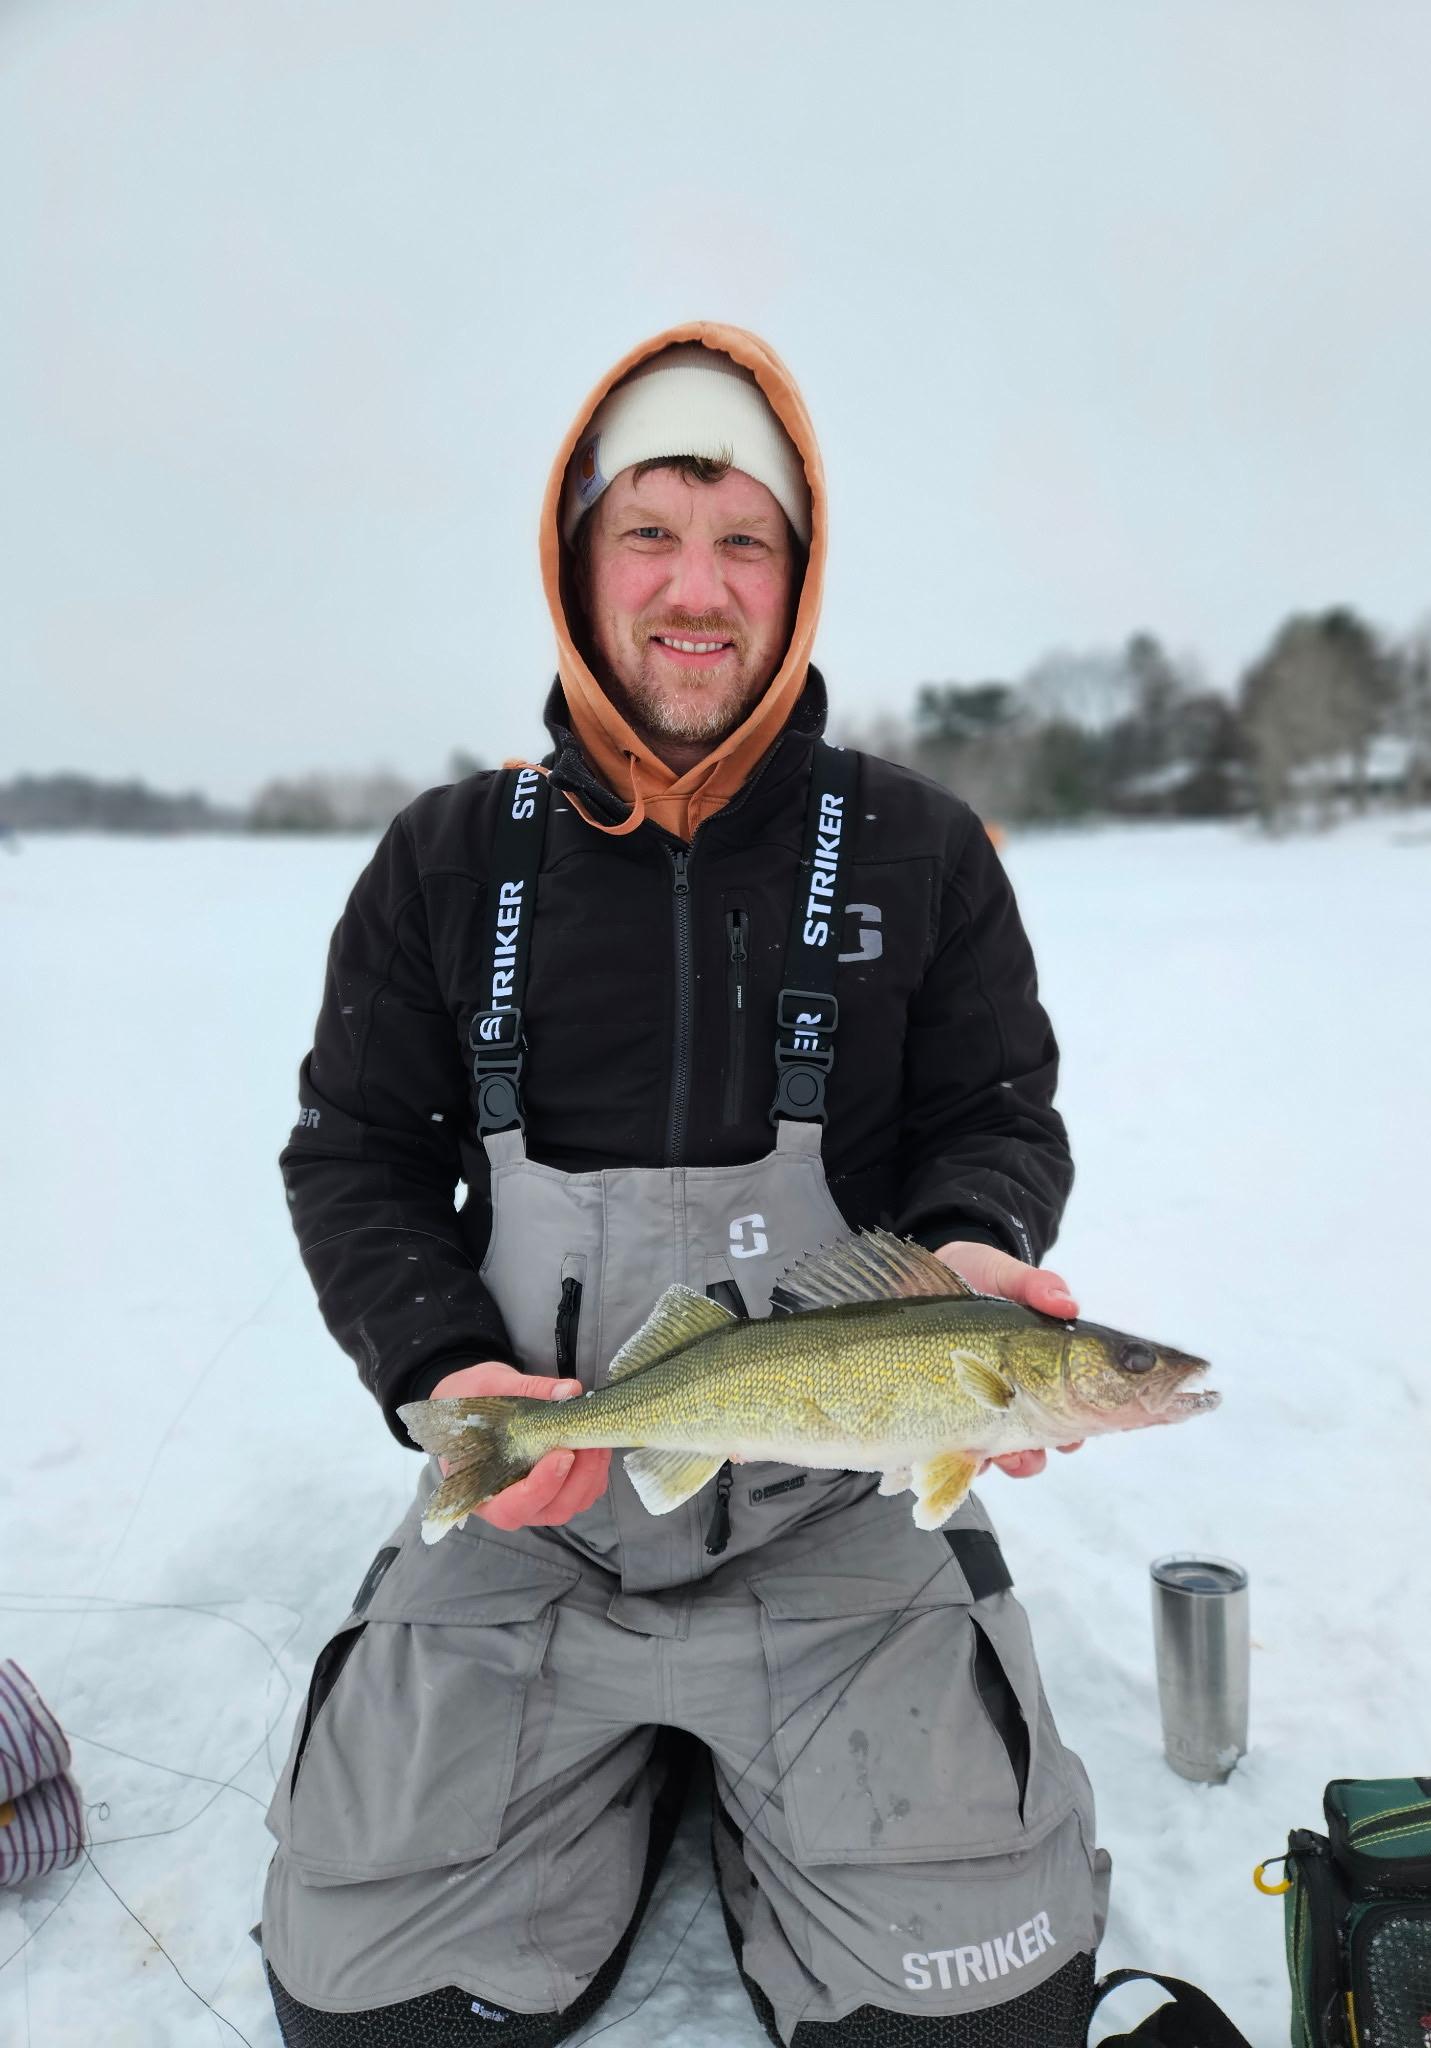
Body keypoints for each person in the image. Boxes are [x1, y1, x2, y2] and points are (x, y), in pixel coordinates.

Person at [261, 322, 1111, 2047]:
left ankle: (757, 1784)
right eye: (650, 531)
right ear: (578, 564)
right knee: (380, 2018)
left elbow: (996, 1109)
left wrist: (974, 1248)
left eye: (746, 541)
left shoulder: (919, 847)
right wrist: (443, 1373)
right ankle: (640, 1776)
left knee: (979, 2022)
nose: (696, 588)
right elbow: (355, 1153)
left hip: (833, 1518)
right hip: (539, 1515)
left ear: (799, 579)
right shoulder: (444, 859)